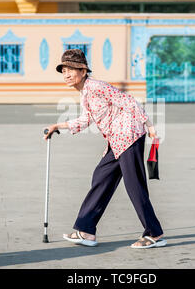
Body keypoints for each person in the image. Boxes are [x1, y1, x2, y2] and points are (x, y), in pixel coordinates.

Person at [43, 49, 166, 249]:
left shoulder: (97, 86)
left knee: (134, 186)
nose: (66, 74)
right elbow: (85, 120)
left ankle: (154, 233)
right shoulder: (85, 94)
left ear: (83, 71)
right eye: (63, 70)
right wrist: (58, 126)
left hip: (129, 136)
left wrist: (150, 126)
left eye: (71, 69)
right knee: (101, 177)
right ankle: (86, 231)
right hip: (116, 141)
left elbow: (129, 102)